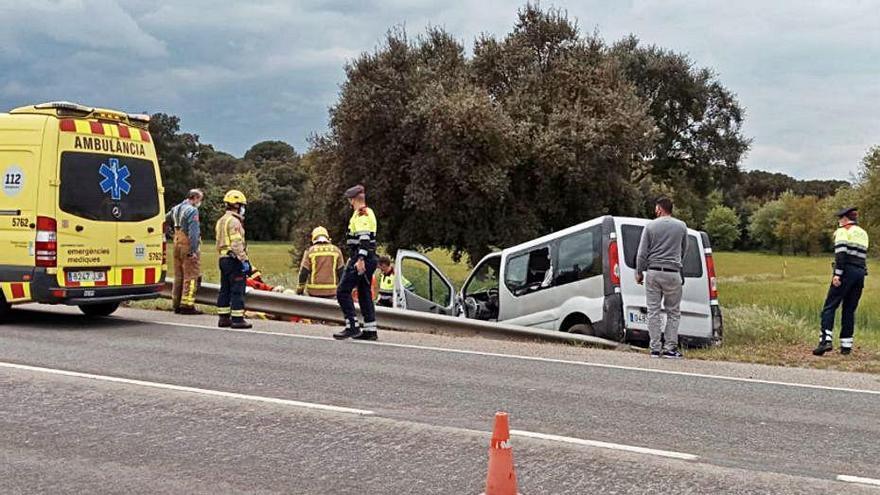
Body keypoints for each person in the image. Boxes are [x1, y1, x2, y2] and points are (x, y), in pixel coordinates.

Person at [635, 197, 689, 359]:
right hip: (672, 273)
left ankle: (655, 348)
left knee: (653, 311)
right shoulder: (681, 226)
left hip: (653, 272)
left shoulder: (650, 226)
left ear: (659, 209)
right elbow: (684, 249)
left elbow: (642, 253)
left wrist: (639, 272)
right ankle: (670, 348)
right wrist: (677, 265)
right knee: (673, 312)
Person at [813, 207, 870, 356]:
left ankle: (825, 340)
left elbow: (841, 255)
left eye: (839, 219)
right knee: (849, 309)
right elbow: (862, 256)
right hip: (860, 273)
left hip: (846, 272)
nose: (838, 222)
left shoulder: (843, 232)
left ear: (844, 219)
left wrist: (837, 274)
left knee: (830, 306)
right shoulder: (863, 233)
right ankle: (846, 346)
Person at [334, 184, 379, 340]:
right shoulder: (369, 212)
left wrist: (360, 259)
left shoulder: (361, 215)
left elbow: (364, 238)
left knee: (342, 291)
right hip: (370, 257)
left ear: (352, 200)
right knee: (364, 292)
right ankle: (370, 329)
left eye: (349, 200)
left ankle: (352, 325)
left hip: (362, 258)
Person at [215, 189, 252, 329]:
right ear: (236, 205)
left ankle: (223, 318)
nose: (243, 208)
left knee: (225, 288)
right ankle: (237, 319)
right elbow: (236, 244)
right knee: (237, 289)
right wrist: (244, 260)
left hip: (223, 259)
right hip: (233, 259)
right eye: (242, 205)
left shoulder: (221, 220)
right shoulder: (234, 222)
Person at [165, 189, 204, 315]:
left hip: (176, 243)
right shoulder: (192, 210)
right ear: (195, 198)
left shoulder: (176, 208)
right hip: (187, 244)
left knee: (178, 275)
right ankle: (187, 305)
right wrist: (193, 250)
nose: (200, 202)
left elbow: (164, 219)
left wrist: (170, 232)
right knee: (191, 275)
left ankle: (176, 304)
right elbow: (194, 233)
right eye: (200, 199)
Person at [297, 226, 345, 299]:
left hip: (313, 292)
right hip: (332, 291)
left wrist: (300, 289)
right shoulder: (336, 251)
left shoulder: (310, 251)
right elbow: (341, 272)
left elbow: (304, 272)